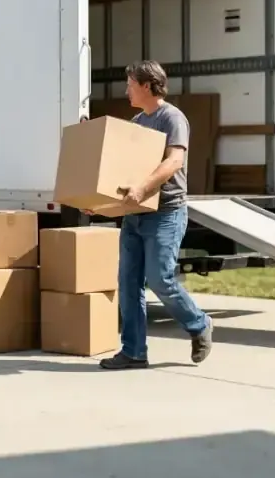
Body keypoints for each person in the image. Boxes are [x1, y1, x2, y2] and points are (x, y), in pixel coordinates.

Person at [88, 60, 214, 369]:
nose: (126, 89)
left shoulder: (172, 118)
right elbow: (125, 174)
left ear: (147, 85)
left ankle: (199, 324)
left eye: (130, 83)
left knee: (161, 279)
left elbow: (174, 161)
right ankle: (133, 352)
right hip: (135, 215)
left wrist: (143, 188)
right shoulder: (137, 122)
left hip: (166, 213)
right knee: (129, 284)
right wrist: (101, 205)